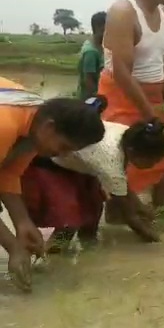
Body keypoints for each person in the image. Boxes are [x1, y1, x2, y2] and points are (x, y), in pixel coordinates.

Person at [0, 78, 105, 291]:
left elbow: (8, 174)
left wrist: (22, 222)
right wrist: (13, 247)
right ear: (50, 128)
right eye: (64, 146)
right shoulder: (5, 125)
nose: (63, 155)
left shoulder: (34, 121)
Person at [22, 97, 164, 250]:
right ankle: (54, 256)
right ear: (133, 152)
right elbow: (128, 214)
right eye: (151, 161)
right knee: (67, 219)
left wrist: (143, 210)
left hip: (82, 164)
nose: (153, 165)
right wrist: (153, 240)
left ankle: (88, 246)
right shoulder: (111, 161)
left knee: (93, 209)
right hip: (55, 163)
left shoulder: (128, 135)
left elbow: (122, 187)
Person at [99, 0, 164, 221]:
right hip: (122, 97)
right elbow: (122, 73)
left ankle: (160, 219)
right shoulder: (123, 12)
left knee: (163, 164)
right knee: (121, 170)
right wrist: (151, 117)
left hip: (154, 99)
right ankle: (117, 230)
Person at [76, 11, 106, 100]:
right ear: (98, 28)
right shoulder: (91, 52)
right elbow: (88, 80)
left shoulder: (98, 44)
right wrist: (96, 98)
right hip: (90, 99)